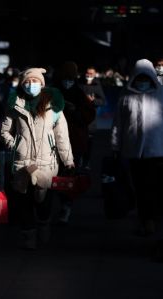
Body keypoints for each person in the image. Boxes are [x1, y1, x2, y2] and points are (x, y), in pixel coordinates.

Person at [1, 68, 74, 250]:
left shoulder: (53, 106)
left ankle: (43, 224)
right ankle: (29, 237)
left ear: (42, 83)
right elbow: (4, 131)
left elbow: (61, 135)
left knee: (43, 201)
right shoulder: (15, 103)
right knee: (23, 203)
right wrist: (15, 145)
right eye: (27, 81)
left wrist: (68, 161)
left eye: (34, 81)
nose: (30, 84)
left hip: (46, 162)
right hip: (22, 163)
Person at [111, 58, 163, 238]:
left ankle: (150, 221)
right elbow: (118, 124)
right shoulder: (126, 96)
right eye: (139, 78)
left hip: (157, 151)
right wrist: (115, 146)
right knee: (140, 188)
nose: (142, 81)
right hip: (133, 152)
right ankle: (145, 220)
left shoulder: (161, 94)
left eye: (145, 78)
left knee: (153, 187)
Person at [53, 61, 95, 224]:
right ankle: (61, 203)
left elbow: (88, 116)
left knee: (69, 175)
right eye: (65, 78)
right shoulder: (53, 93)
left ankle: (66, 206)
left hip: (74, 142)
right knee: (55, 174)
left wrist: (75, 111)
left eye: (71, 78)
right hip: (54, 141)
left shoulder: (80, 95)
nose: (68, 81)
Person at [79, 66, 106, 170]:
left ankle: (87, 162)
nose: (89, 76)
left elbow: (103, 101)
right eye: (87, 73)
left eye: (91, 74)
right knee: (78, 139)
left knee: (89, 142)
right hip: (79, 117)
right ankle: (79, 160)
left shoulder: (97, 85)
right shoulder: (80, 83)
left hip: (91, 118)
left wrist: (93, 101)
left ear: (95, 75)